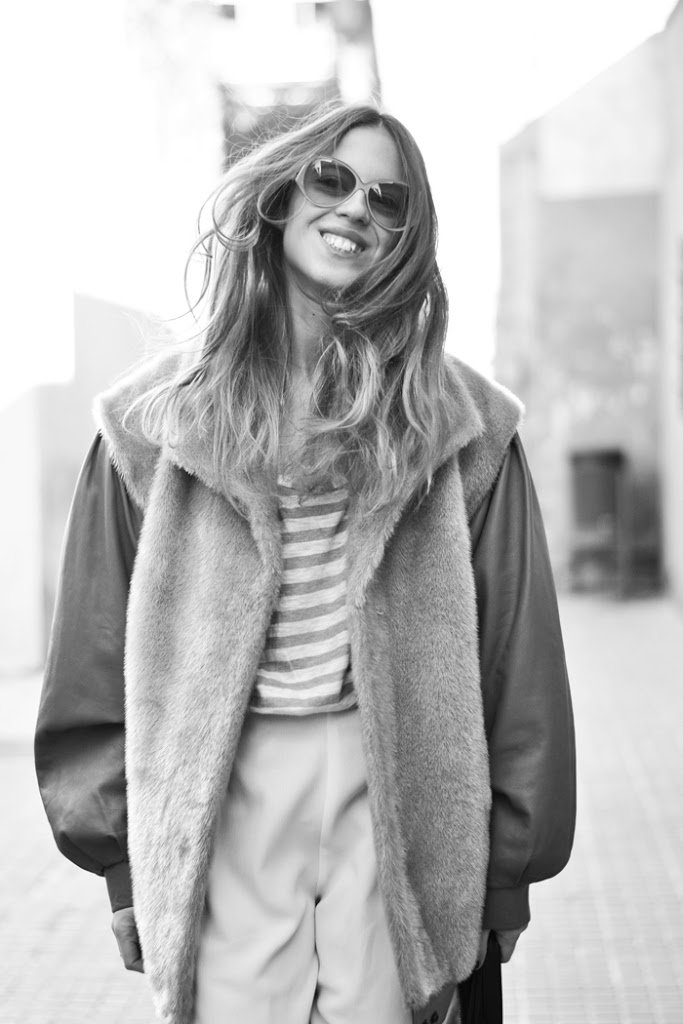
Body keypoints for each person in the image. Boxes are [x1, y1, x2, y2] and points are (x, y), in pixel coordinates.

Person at [35, 102, 576, 1024]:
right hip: (226, 789)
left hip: (399, 789)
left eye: (388, 200)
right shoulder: (153, 424)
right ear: (281, 195)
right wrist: (122, 860)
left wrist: (507, 872)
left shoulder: (463, 425)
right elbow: (93, 656)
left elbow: (515, 661)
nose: (357, 207)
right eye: (332, 179)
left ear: (406, 236)